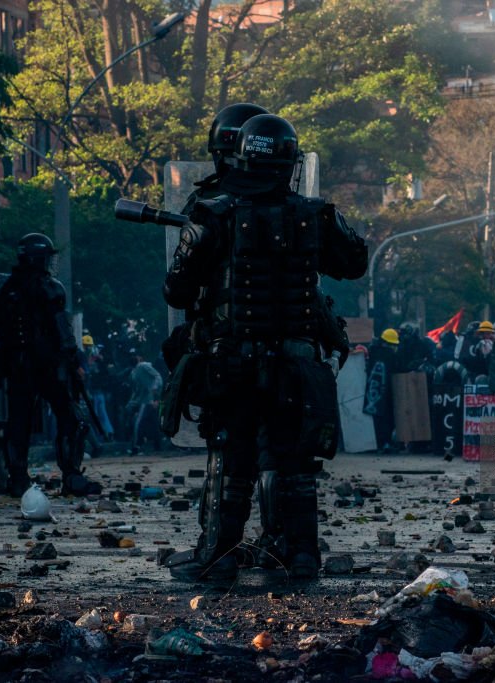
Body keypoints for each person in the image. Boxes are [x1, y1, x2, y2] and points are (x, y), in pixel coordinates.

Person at [162, 114, 367, 583]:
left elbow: (176, 292)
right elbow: (355, 262)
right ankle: (300, 556)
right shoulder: (315, 214)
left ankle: (217, 556)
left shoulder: (212, 212)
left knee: (230, 457)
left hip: (231, 360)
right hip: (295, 363)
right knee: (294, 460)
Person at [0, 233, 102, 496]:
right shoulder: (50, 288)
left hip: (16, 365)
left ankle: (17, 478)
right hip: (48, 365)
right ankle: (72, 476)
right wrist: (73, 359)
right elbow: (62, 331)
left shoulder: (7, 291)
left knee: (18, 422)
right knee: (71, 418)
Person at [366, 329, 400, 452]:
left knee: (376, 420)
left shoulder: (372, 352)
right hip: (386, 393)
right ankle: (385, 443)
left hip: (372, 394)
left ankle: (379, 443)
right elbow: (398, 369)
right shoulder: (390, 355)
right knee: (387, 419)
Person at [126, 349, 163, 455]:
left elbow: (157, 377)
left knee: (139, 422)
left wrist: (155, 394)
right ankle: (154, 445)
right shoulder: (134, 372)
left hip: (148, 400)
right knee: (152, 423)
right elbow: (137, 390)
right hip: (145, 400)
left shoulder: (143, 366)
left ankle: (136, 446)